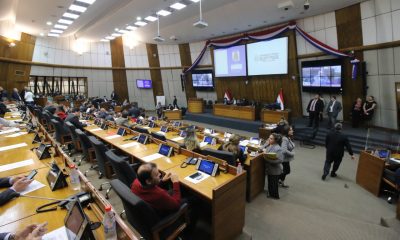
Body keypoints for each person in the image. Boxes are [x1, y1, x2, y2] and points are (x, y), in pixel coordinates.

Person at [262, 133, 283, 199]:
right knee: (270, 183)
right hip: (270, 168)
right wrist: (266, 144)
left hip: (275, 170)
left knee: (273, 184)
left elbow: (279, 160)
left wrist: (266, 157)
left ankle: (275, 196)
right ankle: (271, 193)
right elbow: (261, 148)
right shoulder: (270, 144)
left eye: (271, 138)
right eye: (269, 137)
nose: (269, 139)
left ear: (275, 140)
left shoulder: (278, 148)